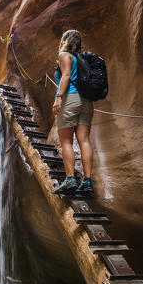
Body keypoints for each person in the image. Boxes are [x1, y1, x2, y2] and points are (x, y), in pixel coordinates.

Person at [52, 29, 94, 194]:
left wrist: (58, 98)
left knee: (67, 142)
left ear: (65, 40)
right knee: (84, 140)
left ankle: (70, 179)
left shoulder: (64, 55)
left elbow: (66, 75)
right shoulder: (82, 58)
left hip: (70, 98)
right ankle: (87, 181)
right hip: (86, 102)